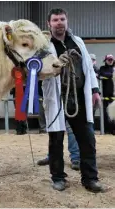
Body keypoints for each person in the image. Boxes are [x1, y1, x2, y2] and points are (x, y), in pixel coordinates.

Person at [42, 8, 105, 192]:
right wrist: (55, 65)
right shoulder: (45, 46)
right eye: (55, 20)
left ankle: (90, 178)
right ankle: (58, 178)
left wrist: (94, 90)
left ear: (66, 21)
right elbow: (40, 72)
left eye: (62, 19)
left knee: (87, 139)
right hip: (58, 98)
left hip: (79, 98)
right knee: (56, 140)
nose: (59, 22)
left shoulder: (77, 42)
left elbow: (88, 69)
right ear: (49, 24)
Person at [98, 54, 115, 134]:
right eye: (109, 59)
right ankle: (106, 129)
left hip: (114, 94)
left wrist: (109, 75)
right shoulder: (102, 68)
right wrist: (111, 75)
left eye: (111, 59)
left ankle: (113, 129)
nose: (110, 61)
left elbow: (106, 74)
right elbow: (101, 74)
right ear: (105, 60)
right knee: (105, 112)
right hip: (104, 94)